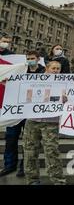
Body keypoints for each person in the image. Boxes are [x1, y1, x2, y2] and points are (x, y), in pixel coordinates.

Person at [23, 60, 67, 185]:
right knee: (30, 151)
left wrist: (67, 98)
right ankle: (32, 180)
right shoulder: (34, 81)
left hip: (51, 122)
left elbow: (70, 102)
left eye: (58, 69)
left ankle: (58, 180)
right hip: (32, 121)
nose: (56, 71)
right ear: (47, 68)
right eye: (53, 68)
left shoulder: (64, 84)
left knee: (52, 152)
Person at [0, 36, 26, 178]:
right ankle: (9, 165)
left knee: (28, 142)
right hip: (13, 108)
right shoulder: (9, 64)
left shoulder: (40, 71)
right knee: (11, 139)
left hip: (28, 112)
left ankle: (23, 166)